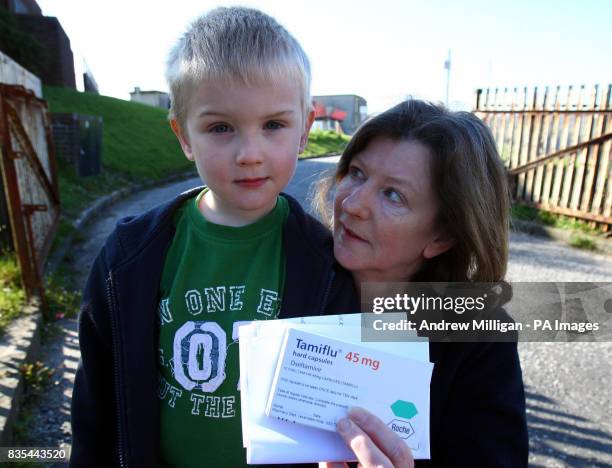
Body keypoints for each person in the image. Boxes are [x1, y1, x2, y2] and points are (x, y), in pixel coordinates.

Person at [70, 7, 358, 467]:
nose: (249, 154)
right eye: (221, 127)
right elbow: (95, 397)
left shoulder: (328, 261)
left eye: (273, 125)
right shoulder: (130, 255)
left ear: (305, 128)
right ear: (184, 134)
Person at [316, 100, 529, 467]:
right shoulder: (297, 272)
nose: (352, 204)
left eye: (393, 195)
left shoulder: (477, 336)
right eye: (357, 173)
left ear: (442, 238)